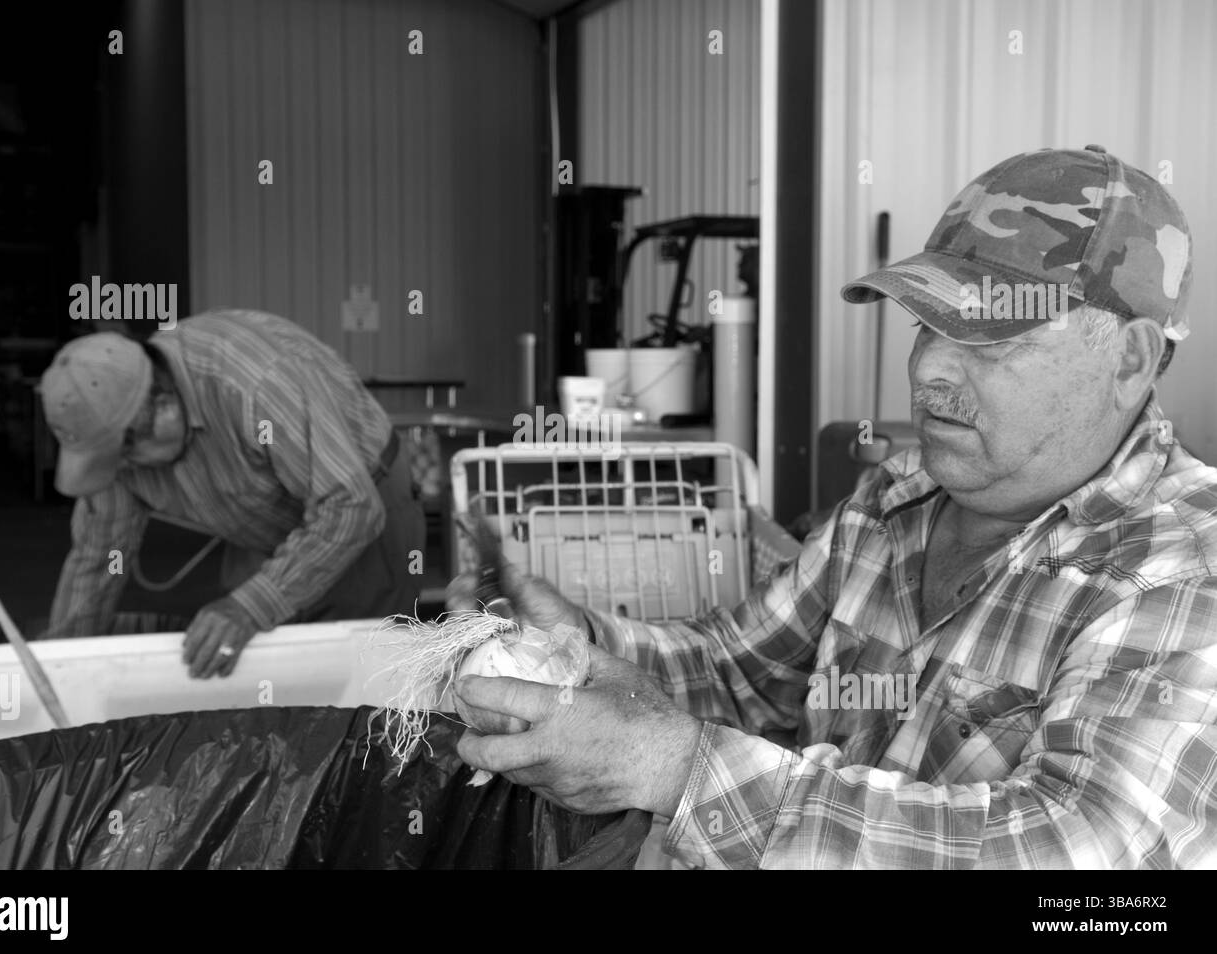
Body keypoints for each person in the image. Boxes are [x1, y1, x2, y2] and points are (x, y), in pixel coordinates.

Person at [447, 146, 1217, 868]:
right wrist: (573, 646)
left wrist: (677, 769)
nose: (930, 370)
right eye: (926, 326)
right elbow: (739, 673)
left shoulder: (1182, 574)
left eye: (990, 338)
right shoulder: (894, 502)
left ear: (1128, 358)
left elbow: (1075, 863)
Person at [41, 308, 425, 678]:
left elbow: (352, 508)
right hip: (262, 521)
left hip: (363, 506)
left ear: (164, 407)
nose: (123, 473)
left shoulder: (255, 384)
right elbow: (99, 554)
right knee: (252, 670)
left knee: (358, 677)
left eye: (125, 454)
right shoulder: (123, 438)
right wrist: (59, 661)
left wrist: (250, 605)